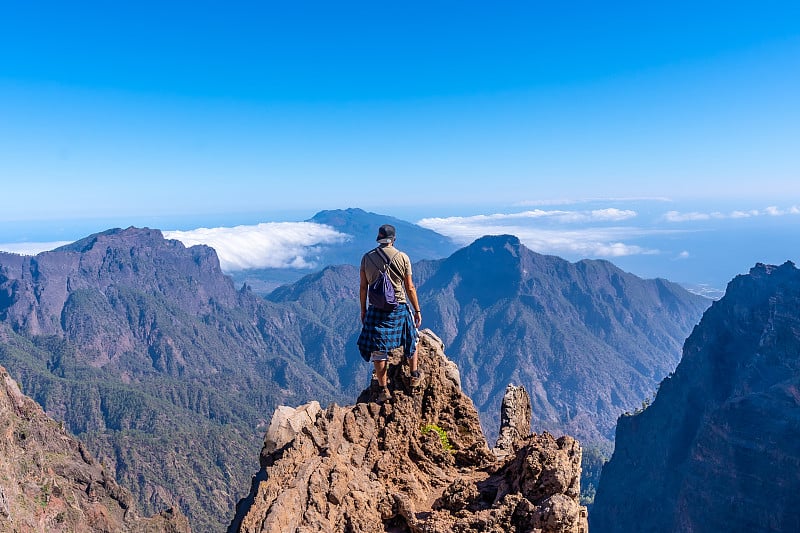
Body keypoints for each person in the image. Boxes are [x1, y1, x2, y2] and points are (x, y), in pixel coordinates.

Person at [357, 224, 423, 403]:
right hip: (398, 308)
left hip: (376, 309)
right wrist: (417, 310)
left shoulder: (366, 258)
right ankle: (414, 375)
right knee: (412, 338)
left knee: (378, 349)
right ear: (394, 239)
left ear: (378, 238)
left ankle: (383, 389)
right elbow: (409, 287)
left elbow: (364, 287)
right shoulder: (403, 258)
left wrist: (363, 309)